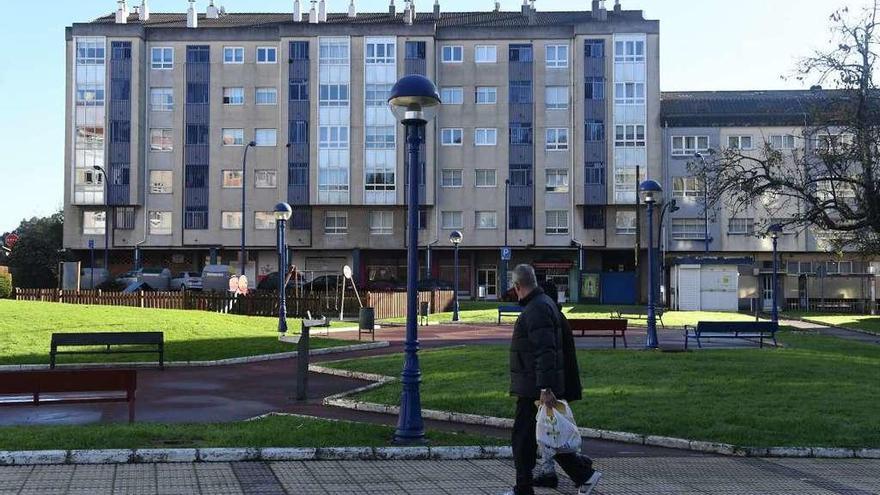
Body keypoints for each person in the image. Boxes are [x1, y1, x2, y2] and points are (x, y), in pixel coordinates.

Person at [501, 264, 601, 495]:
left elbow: (546, 351)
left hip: (534, 388)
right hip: (535, 385)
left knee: (525, 439)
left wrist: (545, 388)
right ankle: (583, 475)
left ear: (517, 286)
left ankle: (524, 488)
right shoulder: (543, 304)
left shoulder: (536, 309)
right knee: (548, 437)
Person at [533, 279, 597, 490]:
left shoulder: (551, 318)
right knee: (551, 430)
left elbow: (549, 354)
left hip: (554, 385)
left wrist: (546, 386)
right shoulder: (558, 316)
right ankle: (553, 469)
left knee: (552, 432)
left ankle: (576, 468)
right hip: (561, 382)